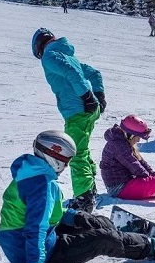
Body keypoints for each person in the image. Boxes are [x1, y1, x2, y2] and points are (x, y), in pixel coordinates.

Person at [0, 130, 155, 263]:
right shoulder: (42, 185)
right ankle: (151, 247)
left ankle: (123, 235)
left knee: (94, 221)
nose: (66, 166)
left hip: (36, 239)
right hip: (33, 254)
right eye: (66, 160)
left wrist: (76, 217)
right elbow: (35, 228)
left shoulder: (32, 172)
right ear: (55, 157)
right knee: (104, 239)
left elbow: (48, 212)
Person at [32, 28, 105, 212]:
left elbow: (71, 73)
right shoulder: (69, 57)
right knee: (83, 149)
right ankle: (89, 190)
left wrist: (86, 96)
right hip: (89, 109)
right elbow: (94, 73)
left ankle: (84, 199)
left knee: (76, 153)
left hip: (77, 111)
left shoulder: (49, 57)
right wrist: (98, 96)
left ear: (39, 48)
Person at [100, 115, 155, 200]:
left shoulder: (123, 143)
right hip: (119, 188)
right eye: (138, 137)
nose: (138, 140)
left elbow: (141, 162)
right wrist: (152, 182)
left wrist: (153, 176)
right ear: (130, 135)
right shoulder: (118, 145)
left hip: (126, 184)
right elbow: (135, 166)